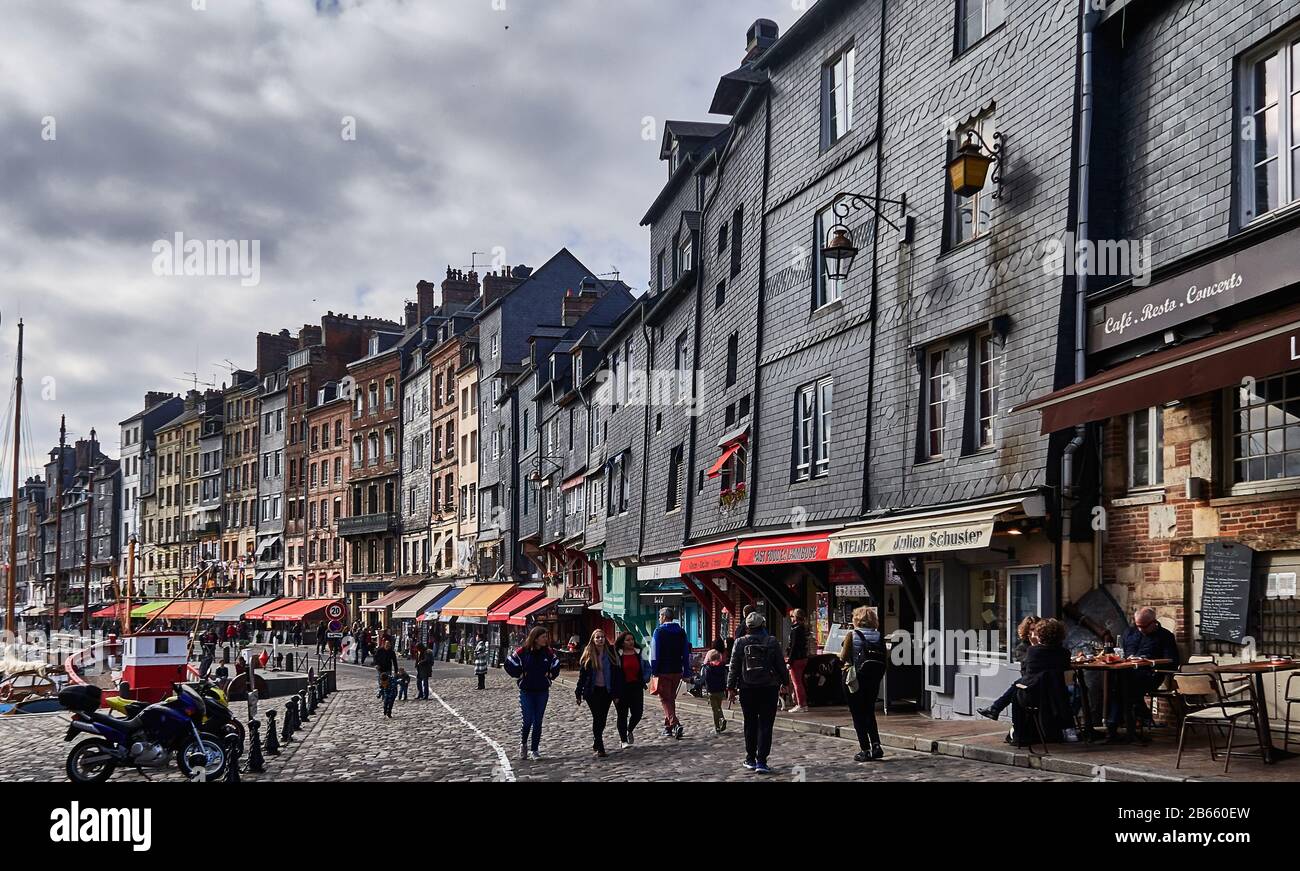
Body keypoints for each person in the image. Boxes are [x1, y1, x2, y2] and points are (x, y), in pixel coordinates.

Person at [727, 612, 791, 774]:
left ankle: (750, 758)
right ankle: (762, 760)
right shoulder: (771, 641)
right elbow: (780, 665)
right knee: (766, 724)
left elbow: (734, 666)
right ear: (763, 625)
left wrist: (731, 687)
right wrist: (785, 682)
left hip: (747, 687)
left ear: (747, 627)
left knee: (750, 723)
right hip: (769, 687)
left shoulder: (740, 642)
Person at [1107, 607, 1180, 743]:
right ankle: (1133, 721)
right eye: (1138, 625)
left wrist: (1147, 661)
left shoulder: (1165, 636)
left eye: (1144, 626)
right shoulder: (1129, 632)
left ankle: (1114, 728)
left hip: (1150, 675)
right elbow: (1121, 652)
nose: (1140, 629)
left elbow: (1172, 661)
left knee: (1122, 688)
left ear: (1154, 622)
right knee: (1116, 685)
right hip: (1127, 673)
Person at [1010, 617, 1075, 746]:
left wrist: (1035, 646)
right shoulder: (1064, 653)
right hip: (1060, 696)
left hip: (1035, 696)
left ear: (1040, 635)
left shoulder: (1033, 651)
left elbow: (1026, 674)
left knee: (1015, 693)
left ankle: (1019, 734)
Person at [503, 626, 562, 760]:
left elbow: (556, 665)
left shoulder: (548, 653)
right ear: (535, 639)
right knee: (527, 720)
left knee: (538, 721)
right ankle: (523, 744)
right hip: (527, 692)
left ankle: (534, 749)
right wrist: (519, 673)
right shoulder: (523, 651)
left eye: (546, 637)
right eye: (543, 637)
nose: (546, 639)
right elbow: (509, 663)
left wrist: (551, 675)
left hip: (542, 691)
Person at [839, 606, 887, 762]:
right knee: (869, 711)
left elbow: (843, 656)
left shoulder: (852, 635)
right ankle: (876, 745)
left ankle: (865, 749)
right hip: (873, 678)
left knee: (857, 713)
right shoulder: (879, 636)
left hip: (855, 678)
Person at [977, 615, 1041, 721]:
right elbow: (1029, 668)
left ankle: (995, 708)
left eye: (1037, 629)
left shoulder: (1047, 645)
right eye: (1032, 629)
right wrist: (1035, 647)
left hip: (1045, 682)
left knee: (1017, 685)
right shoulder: (1022, 648)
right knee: (1018, 686)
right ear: (1026, 631)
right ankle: (996, 709)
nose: (1034, 633)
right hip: (1031, 684)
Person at [575, 629, 622, 758]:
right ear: (593, 640)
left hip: (607, 691)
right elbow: (582, 676)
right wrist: (578, 693)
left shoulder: (611, 652)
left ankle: (596, 741)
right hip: (592, 691)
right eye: (597, 638)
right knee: (597, 717)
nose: (600, 639)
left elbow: (616, 675)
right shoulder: (589, 654)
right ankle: (600, 746)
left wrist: (617, 693)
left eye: (602, 637)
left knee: (603, 719)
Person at [650, 607, 692, 739]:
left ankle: (675, 723)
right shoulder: (681, 632)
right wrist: (686, 671)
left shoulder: (659, 631)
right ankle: (668, 728)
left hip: (663, 670)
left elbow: (654, 653)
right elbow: (686, 653)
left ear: (663, 616)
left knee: (665, 699)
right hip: (677, 670)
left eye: (659, 616)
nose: (659, 619)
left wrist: (654, 670)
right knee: (671, 698)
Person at [613, 632, 649, 748]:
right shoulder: (617, 654)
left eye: (632, 639)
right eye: (627, 640)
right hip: (621, 688)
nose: (631, 642)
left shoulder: (639, 653)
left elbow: (648, 667)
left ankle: (629, 729)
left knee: (637, 713)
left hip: (636, 686)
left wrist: (645, 678)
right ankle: (623, 740)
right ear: (622, 642)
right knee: (622, 715)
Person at [786, 609, 811, 713]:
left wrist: (789, 661)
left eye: (792, 617)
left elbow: (794, 647)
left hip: (796, 659)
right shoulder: (804, 629)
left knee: (796, 683)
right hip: (803, 657)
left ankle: (801, 704)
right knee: (800, 681)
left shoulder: (795, 630)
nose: (791, 619)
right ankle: (801, 702)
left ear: (795, 618)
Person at [700, 649, 729, 733]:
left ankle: (717, 727)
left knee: (714, 709)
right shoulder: (723, 667)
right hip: (720, 691)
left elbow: (702, 680)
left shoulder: (707, 668)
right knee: (719, 707)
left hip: (711, 691)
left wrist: (692, 681)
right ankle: (721, 719)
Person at [372, 636, 399, 718]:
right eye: (386, 645)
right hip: (380, 668)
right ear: (384, 645)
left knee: (389, 682)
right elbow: (375, 658)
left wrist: (396, 671)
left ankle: (385, 694)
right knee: (381, 682)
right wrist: (376, 664)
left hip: (388, 669)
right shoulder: (380, 650)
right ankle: (383, 693)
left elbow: (394, 661)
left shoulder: (391, 652)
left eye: (389, 645)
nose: (387, 647)